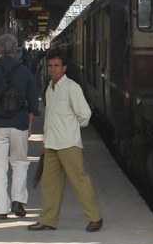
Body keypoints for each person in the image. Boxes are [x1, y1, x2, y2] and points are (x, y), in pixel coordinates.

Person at [28, 52, 102, 232]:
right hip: (52, 144)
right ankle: (48, 220)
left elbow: (85, 115)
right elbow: (49, 118)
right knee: (49, 184)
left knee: (79, 181)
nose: (52, 69)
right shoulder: (49, 88)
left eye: (56, 66)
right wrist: (45, 142)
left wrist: (70, 128)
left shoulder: (72, 87)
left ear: (64, 68)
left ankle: (95, 218)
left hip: (69, 144)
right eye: (50, 66)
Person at [0, 33, 39, 220]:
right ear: (16, 48)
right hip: (19, 124)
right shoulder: (25, 72)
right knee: (20, 163)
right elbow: (34, 103)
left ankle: (2, 208)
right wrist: (29, 120)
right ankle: (18, 200)